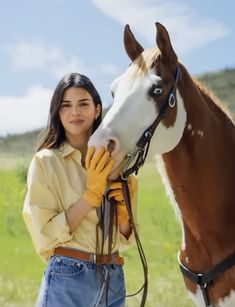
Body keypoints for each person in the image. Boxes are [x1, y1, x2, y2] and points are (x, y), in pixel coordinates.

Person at [22, 72, 137, 307]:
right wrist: (90, 197)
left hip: (113, 276)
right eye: (66, 105)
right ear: (58, 112)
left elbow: (126, 238)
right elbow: (45, 234)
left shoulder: (116, 163)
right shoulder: (46, 162)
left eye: (83, 104)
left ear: (97, 110)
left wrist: (125, 215)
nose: (75, 112)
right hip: (68, 274)